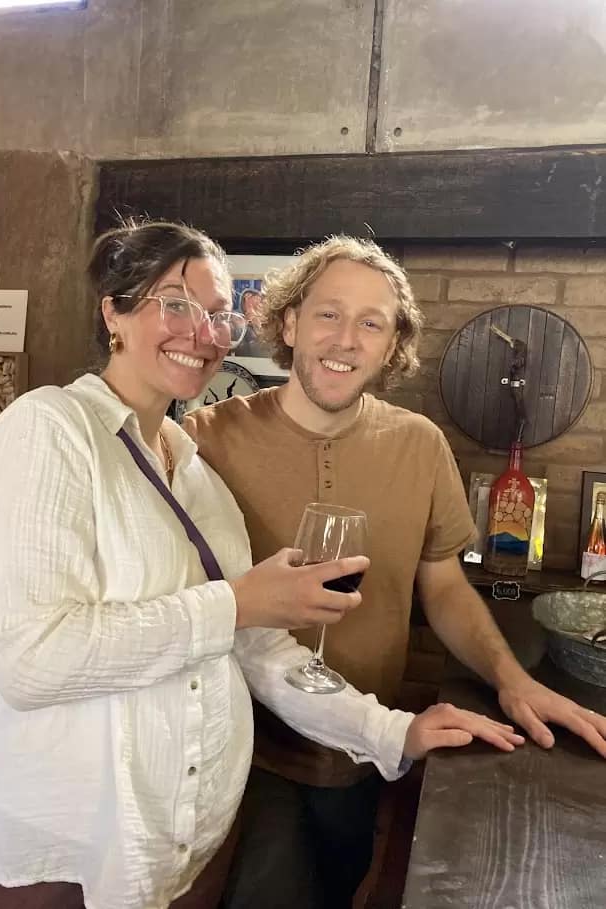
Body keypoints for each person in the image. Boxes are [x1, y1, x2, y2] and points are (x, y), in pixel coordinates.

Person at [0, 221, 517, 909]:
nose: (201, 333)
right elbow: (33, 660)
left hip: (175, 850)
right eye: (174, 304)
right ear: (114, 312)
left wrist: (393, 731)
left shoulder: (192, 470)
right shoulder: (49, 429)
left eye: (216, 315)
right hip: (52, 851)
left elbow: (257, 644)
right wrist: (236, 603)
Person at [183, 235, 606, 909]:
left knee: (342, 884)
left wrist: (513, 680)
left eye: (371, 323)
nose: (345, 339)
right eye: (328, 314)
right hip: (245, 750)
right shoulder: (205, 438)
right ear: (289, 323)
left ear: (391, 347)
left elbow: (443, 586)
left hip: (366, 748)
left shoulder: (420, 443)